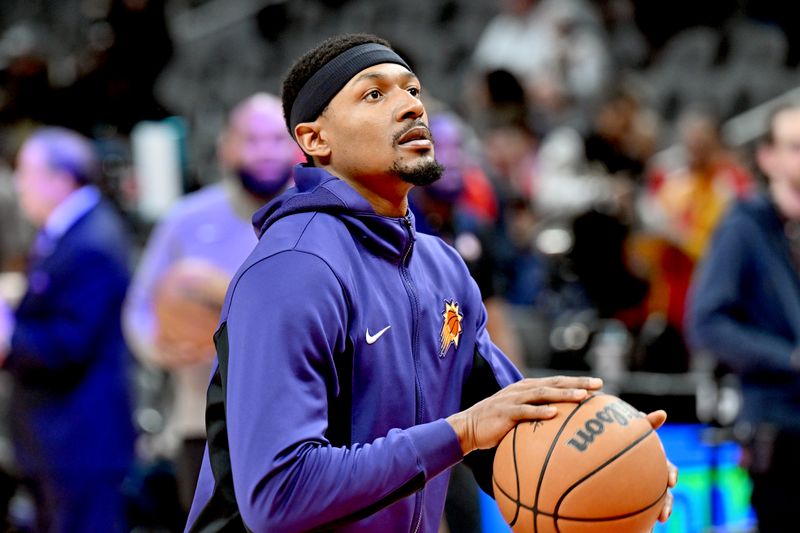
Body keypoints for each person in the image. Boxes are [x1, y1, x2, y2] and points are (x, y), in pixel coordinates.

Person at [185, 33, 675, 531]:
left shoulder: (441, 267)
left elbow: (514, 430)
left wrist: (622, 464)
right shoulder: (293, 267)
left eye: (413, 91)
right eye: (374, 94)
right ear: (315, 139)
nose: (410, 107)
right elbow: (279, 493)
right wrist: (459, 433)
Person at [123, 92, 300, 513]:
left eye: (276, 139)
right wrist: (159, 346)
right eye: (251, 139)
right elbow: (139, 307)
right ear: (226, 146)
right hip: (202, 421)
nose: (265, 152)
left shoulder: (320, 218)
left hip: (299, 423)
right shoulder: (186, 220)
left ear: (298, 145)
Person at [0, 127, 135, 532]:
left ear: (60, 179)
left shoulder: (90, 240)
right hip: (58, 440)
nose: (18, 185)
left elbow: (70, 342)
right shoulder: (68, 233)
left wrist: (8, 342)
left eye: (25, 172)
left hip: (79, 440)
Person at [687, 104, 800, 532]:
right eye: (795, 147)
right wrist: (788, 358)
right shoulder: (744, 227)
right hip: (779, 429)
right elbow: (707, 324)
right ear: (768, 156)